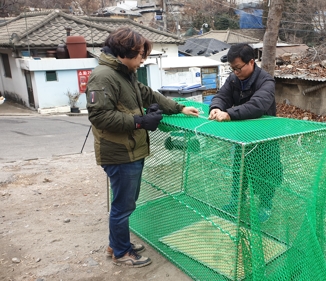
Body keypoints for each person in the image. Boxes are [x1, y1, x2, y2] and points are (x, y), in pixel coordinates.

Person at [85, 27, 199, 267]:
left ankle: (116, 243)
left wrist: (178, 108)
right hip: (119, 152)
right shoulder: (104, 76)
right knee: (123, 206)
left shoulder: (124, 72)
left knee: (125, 202)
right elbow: (100, 117)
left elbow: (146, 94)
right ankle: (121, 253)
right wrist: (139, 121)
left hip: (130, 149)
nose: (142, 60)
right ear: (125, 52)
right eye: (140, 55)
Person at [209, 43, 283, 222]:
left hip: (265, 138)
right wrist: (216, 107)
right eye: (232, 68)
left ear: (251, 62)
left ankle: (265, 205)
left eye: (238, 68)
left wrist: (229, 114)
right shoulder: (234, 80)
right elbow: (222, 95)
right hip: (242, 136)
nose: (235, 72)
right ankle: (237, 200)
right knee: (239, 170)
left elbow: (258, 105)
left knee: (266, 173)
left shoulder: (266, 81)